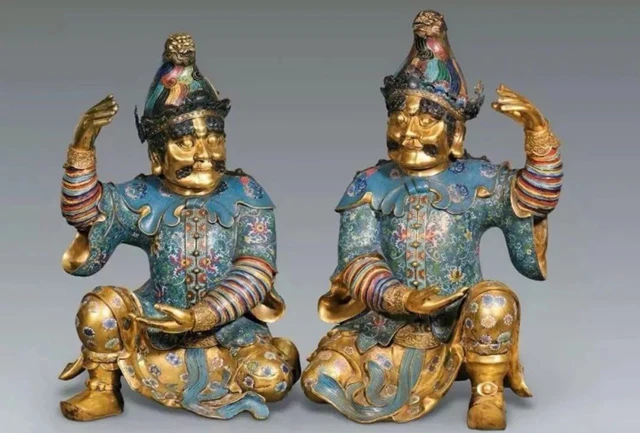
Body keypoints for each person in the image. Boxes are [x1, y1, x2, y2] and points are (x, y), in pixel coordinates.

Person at [301, 10, 563, 430]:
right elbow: (357, 258)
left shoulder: (477, 180)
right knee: (318, 380)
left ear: (455, 133)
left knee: (494, 302)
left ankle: (487, 388)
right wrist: (402, 298)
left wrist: (538, 134)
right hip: (388, 320)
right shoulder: (369, 184)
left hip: (460, 318)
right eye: (398, 118)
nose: (408, 132)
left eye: (426, 120)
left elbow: (532, 199)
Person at [58, 33, 300, 422]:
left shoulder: (245, 193)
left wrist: (202, 315)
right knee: (98, 309)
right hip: (156, 320)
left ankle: (275, 356)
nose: (204, 154)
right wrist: (82, 147)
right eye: (185, 143)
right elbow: (88, 214)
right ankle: (102, 389)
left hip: (228, 327)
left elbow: (256, 270)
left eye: (214, 139)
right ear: (157, 156)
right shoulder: (146, 194)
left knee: (273, 379)